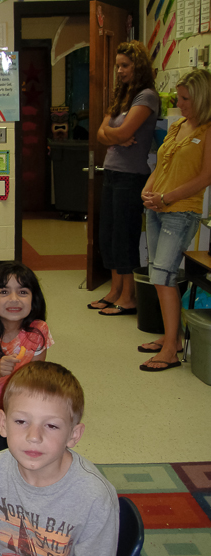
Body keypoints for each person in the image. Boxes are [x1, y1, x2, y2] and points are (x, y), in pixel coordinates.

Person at [0, 362, 119, 556]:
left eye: (51, 425)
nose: (34, 436)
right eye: (21, 421)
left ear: (73, 434)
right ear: (3, 423)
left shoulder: (94, 498)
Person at [139, 69, 211, 371]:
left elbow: (205, 177)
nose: (179, 105)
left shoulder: (207, 131)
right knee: (158, 276)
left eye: (185, 99)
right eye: (179, 98)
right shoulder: (178, 126)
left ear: (202, 98)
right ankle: (174, 337)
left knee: (165, 276)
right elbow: (162, 163)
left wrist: (167, 198)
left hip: (181, 212)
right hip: (156, 208)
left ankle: (170, 349)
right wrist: (149, 188)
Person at [90, 41, 159, 316]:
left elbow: (119, 132)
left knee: (124, 237)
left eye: (125, 66)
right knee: (107, 236)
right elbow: (101, 134)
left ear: (138, 66)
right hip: (112, 171)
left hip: (132, 177)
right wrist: (114, 134)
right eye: (118, 65)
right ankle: (115, 290)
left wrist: (113, 134)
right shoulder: (122, 96)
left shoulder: (147, 96)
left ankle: (128, 296)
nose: (119, 70)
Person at [0, 262, 52, 406]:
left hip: (19, 405)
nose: (14, 299)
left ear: (34, 299)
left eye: (23, 292)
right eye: (4, 292)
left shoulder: (38, 331)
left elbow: (35, 380)